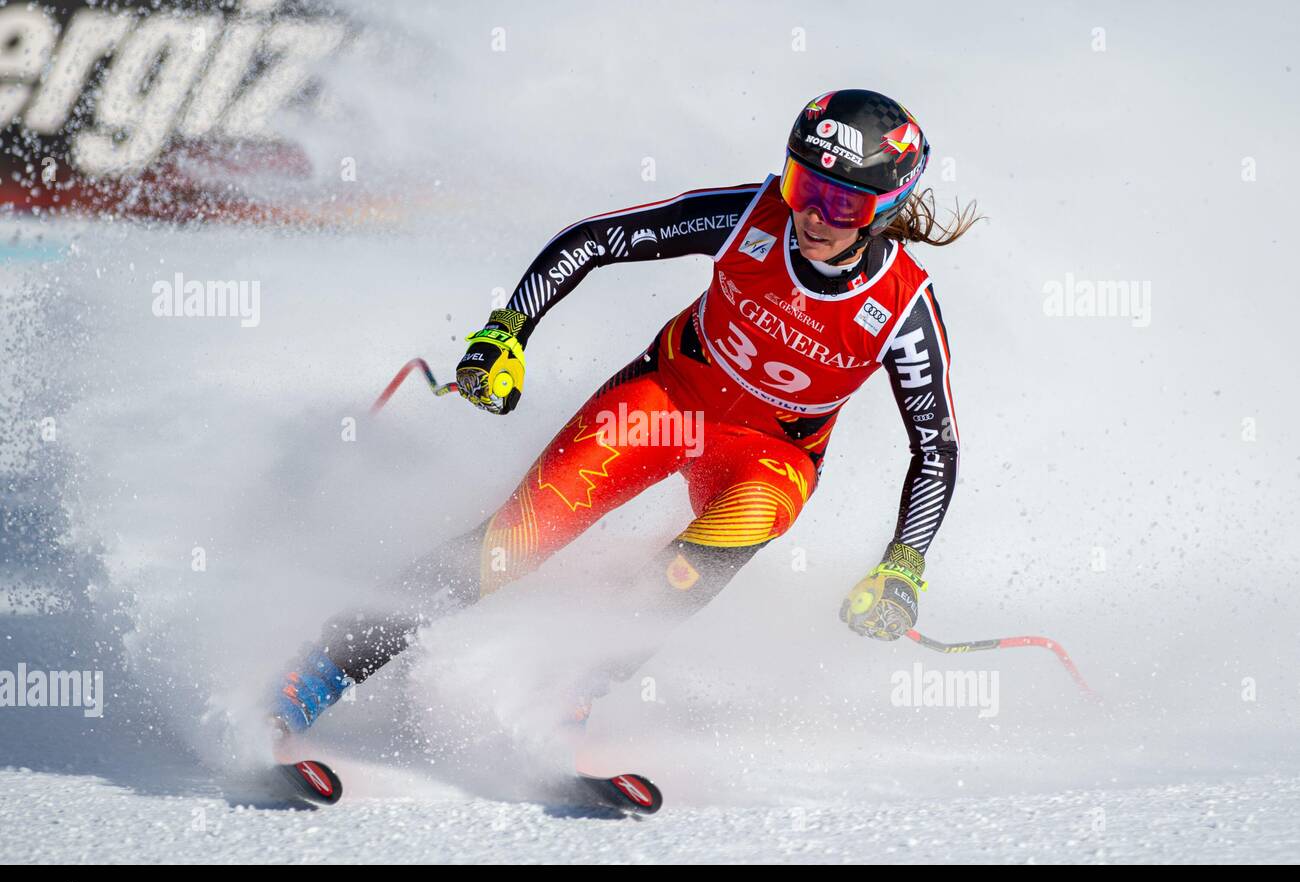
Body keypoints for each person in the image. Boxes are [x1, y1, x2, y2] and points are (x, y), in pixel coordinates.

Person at [273, 89, 978, 735]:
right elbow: (595, 240)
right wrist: (506, 333)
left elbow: (936, 449)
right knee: (511, 547)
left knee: (685, 574)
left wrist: (903, 566)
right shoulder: (748, 217)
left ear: (886, 207)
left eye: (845, 204)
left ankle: (562, 701)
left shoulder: (903, 308)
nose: (816, 216)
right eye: (805, 186)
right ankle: (318, 672)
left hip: (770, 456)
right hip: (667, 398)